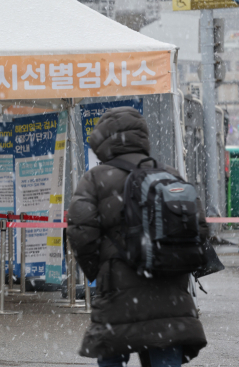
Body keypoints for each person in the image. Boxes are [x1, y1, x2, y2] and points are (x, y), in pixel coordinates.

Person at [67, 107, 208, 367]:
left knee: (111, 351)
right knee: (165, 350)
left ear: (105, 138)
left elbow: (80, 231)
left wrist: (98, 270)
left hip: (118, 291)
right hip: (170, 289)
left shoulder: (95, 179)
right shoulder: (169, 175)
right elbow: (199, 228)